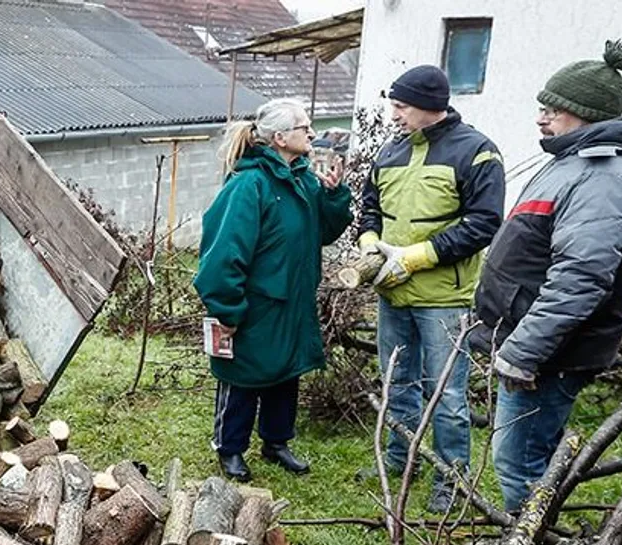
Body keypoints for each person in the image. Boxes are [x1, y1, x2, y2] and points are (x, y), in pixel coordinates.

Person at [472, 41, 622, 515]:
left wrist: (524, 351)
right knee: (532, 453)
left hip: (552, 352)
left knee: (518, 460)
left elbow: (581, 277)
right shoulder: (574, 162)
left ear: (586, 114)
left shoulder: (604, 176)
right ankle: (535, 540)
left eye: (552, 110)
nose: (541, 118)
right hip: (539, 342)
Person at [357, 65, 506, 512]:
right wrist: (370, 246)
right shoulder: (391, 151)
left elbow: (483, 223)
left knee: (447, 394)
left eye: (401, 106)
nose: (394, 115)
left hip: (443, 299)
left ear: (429, 105)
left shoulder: (477, 152)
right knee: (397, 383)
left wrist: (415, 258)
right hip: (392, 294)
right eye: (394, 106)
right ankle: (399, 459)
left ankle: (451, 478)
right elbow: (369, 208)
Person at [194, 98, 353, 482]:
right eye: (304, 127)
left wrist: (334, 196)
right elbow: (222, 255)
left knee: (286, 373)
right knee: (243, 376)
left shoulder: (303, 180)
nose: (312, 133)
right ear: (280, 138)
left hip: (293, 301)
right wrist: (227, 310)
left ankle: (276, 442)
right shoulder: (249, 185)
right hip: (256, 305)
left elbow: (325, 232)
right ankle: (230, 448)